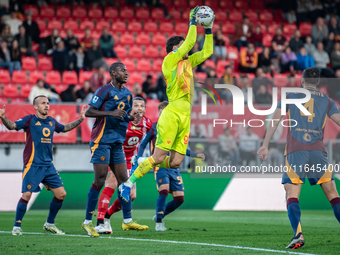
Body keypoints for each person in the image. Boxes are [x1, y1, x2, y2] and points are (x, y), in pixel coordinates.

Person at [119, 6, 213, 202]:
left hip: (186, 116)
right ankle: (128, 183)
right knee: (160, 157)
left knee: (176, 162)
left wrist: (210, 28)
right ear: (175, 49)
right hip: (172, 113)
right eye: (183, 45)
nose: (189, 48)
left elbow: (208, 50)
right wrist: (192, 21)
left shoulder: (187, 62)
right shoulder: (169, 61)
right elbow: (191, 42)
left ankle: (145, 163)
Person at [257, 67, 340, 249]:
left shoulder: (290, 96)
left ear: (302, 81)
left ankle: (298, 234)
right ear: (318, 82)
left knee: (291, 193)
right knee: (333, 194)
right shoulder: (327, 101)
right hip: (318, 151)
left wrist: (265, 144)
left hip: (296, 151)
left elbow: (275, 119)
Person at [0, 96, 86, 235]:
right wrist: (3, 118)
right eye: (43, 103)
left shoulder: (51, 121)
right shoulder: (29, 120)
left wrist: (81, 120)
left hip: (48, 165)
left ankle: (49, 224)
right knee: (27, 194)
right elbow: (13, 126)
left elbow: (64, 128)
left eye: (47, 103)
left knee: (61, 194)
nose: (47, 106)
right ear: (35, 107)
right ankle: (16, 226)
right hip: (32, 165)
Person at [82, 62, 148, 237]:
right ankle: (88, 222)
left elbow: (123, 115)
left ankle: (127, 221)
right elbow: (89, 112)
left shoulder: (127, 94)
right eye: (122, 70)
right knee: (100, 180)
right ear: (112, 73)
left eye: (127, 70)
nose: (126, 73)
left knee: (124, 181)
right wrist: (111, 113)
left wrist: (130, 117)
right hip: (101, 141)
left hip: (117, 143)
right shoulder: (104, 91)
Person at [134, 101, 205, 231]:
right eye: (162, 111)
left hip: (173, 167)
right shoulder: (155, 127)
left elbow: (180, 150)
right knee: (164, 191)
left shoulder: (175, 129)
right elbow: (143, 143)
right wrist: (139, 158)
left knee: (179, 199)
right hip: (160, 165)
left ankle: (159, 216)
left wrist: (195, 154)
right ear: (160, 113)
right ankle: (159, 223)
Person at [94, 97, 153, 234]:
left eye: (142, 106)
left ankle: (107, 216)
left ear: (145, 109)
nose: (139, 108)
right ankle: (100, 222)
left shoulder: (147, 124)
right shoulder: (122, 120)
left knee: (131, 196)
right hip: (115, 156)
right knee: (111, 185)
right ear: (130, 108)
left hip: (130, 160)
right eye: (136, 105)